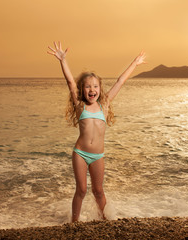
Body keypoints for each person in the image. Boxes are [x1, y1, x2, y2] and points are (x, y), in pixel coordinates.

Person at [47, 42, 146, 222]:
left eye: (95, 87)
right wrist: (63, 60)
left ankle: (105, 219)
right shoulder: (80, 106)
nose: (92, 90)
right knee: (82, 190)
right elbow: (70, 81)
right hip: (80, 154)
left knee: (98, 190)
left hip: (98, 155)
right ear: (82, 90)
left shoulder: (104, 105)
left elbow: (120, 82)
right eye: (87, 87)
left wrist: (134, 63)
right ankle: (74, 223)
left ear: (100, 90)